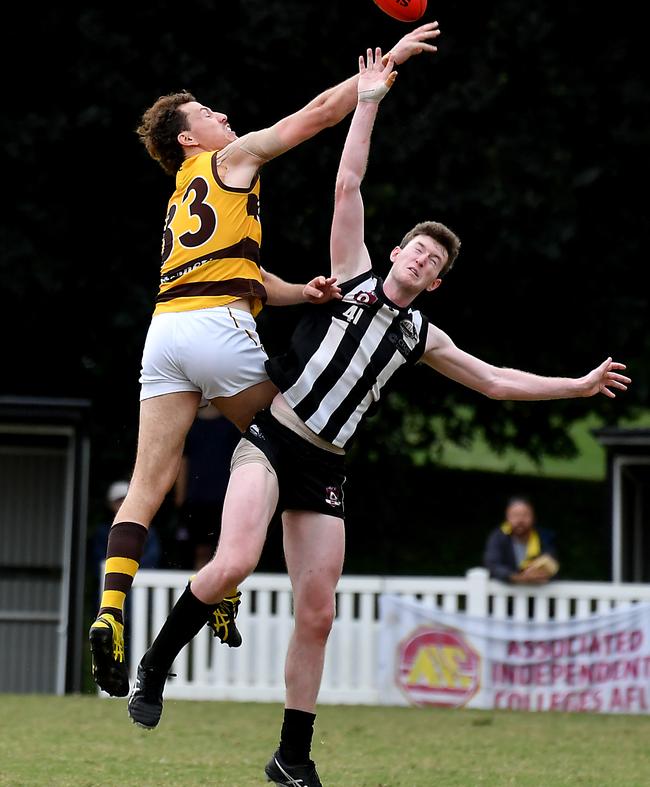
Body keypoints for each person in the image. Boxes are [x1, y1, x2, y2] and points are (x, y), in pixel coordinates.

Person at [126, 49, 630, 786]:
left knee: (319, 612)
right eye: (418, 249)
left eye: (434, 263)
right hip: (272, 440)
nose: (422, 262)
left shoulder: (421, 335)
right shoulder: (355, 270)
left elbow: (494, 381)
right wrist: (366, 99)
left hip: (325, 464)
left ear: (435, 281)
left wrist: (578, 385)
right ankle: (154, 665)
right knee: (232, 562)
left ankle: (291, 755)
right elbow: (348, 181)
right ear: (396, 250)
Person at [88, 21, 441, 699]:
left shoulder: (182, 191)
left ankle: (110, 609)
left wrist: (297, 290)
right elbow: (312, 117)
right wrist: (379, 76)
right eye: (207, 113)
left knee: (147, 482)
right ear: (189, 138)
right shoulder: (234, 156)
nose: (222, 114)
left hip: (166, 333)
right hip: (219, 332)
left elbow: (236, 273)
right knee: (285, 440)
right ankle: (225, 581)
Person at [173, 406, 241, 570]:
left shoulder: (232, 425)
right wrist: (180, 496)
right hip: (197, 497)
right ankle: (202, 591)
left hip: (226, 496)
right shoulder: (190, 425)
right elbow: (183, 462)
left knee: (228, 550)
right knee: (201, 550)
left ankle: (225, 591)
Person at [483, 496, 559, 584]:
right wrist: (516, 577)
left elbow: (552, 560)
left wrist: (540, 572)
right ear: (507, 517)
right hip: (506, 593)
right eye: (515, 515)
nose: (520, 520)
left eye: (525, 515)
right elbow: (493, 565)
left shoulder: (544, 536)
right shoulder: (498, 536)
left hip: (538, 594)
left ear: (533, 517)